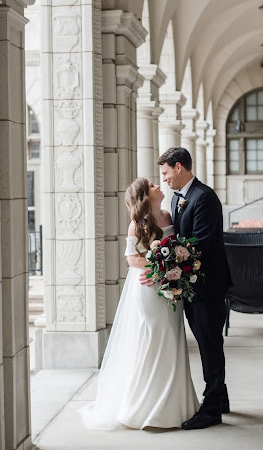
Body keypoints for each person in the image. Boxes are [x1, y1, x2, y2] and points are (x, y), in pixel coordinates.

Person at [80, 177, 198, 430]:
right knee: (153, 338)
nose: (158, 185)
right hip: (148, 287)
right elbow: (132, 259)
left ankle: (174, 406)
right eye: (153, 184)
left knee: (172, 337)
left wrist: (173, 268)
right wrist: (162, 267)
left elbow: (176, 247)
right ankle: (142, 407)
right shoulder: (138, 225)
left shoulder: (167, 215)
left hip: (170, 285)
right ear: (146, 195)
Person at [155, 147, 231, 430]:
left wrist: (164, 260)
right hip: (192, 286)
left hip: (208, 286)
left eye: (165, 173)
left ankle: (211, 410)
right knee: (205, 342)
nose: (164, 179)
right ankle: (220, 398)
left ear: (178, 167)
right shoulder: (179, 199)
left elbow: (202, 241)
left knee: (210, 345)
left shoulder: (204, 197)